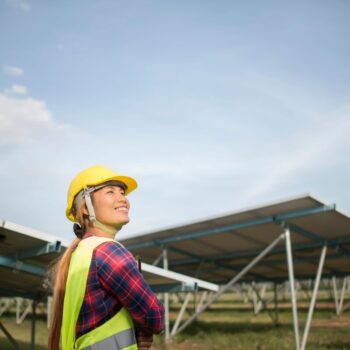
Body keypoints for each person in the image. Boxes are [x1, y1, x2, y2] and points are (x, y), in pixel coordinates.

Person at [48, 165, 165, 350]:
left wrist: (135, 332)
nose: (123, 199)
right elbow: (155, 316)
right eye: (110, 192)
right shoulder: (107, 252)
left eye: (122, 192)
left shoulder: (80, 253)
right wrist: (143, 329)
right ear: (86, 208)